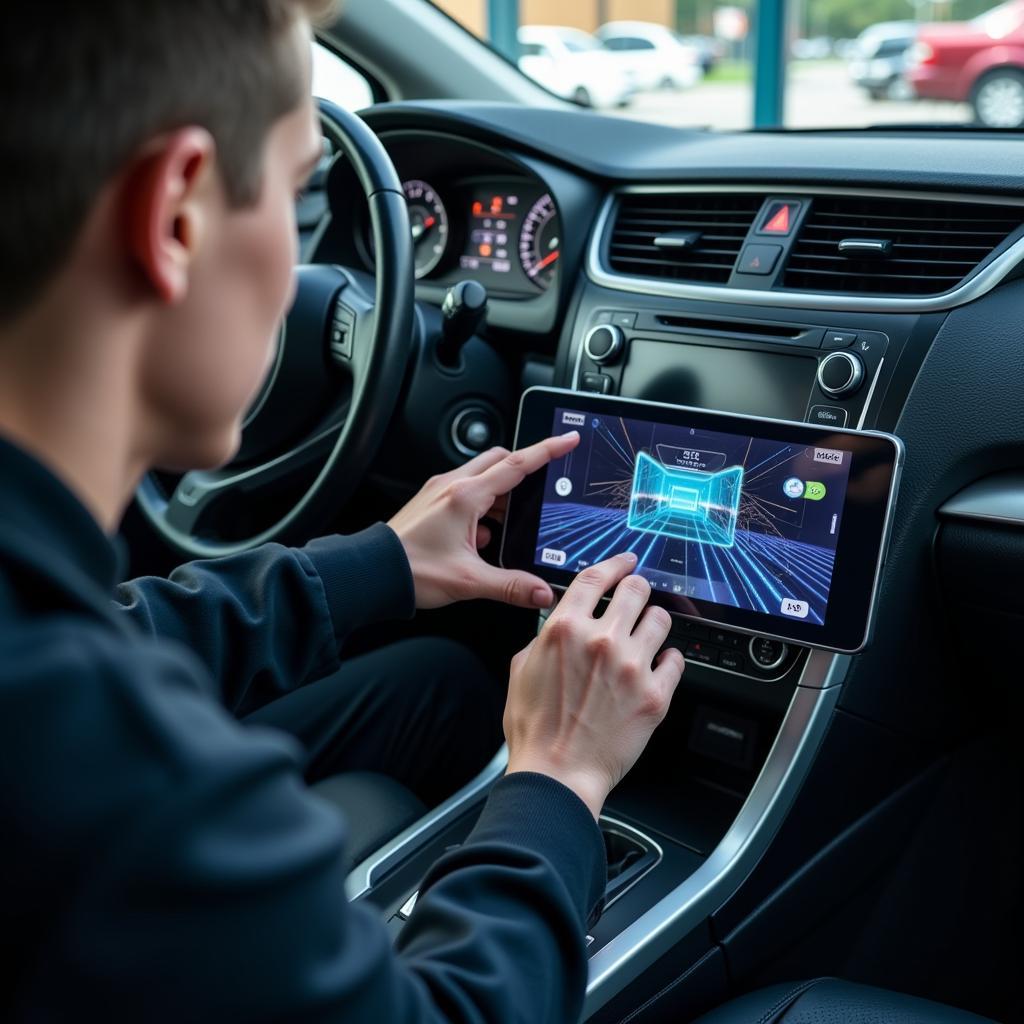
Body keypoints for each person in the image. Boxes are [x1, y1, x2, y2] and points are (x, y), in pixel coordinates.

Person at [0, 1, 685, 1020]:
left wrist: (381, 561)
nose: (306, 266)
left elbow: (117, 628)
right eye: (291, 189)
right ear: (176, 218)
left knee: (440, 681)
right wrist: (558, 780)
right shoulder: (132, 790)